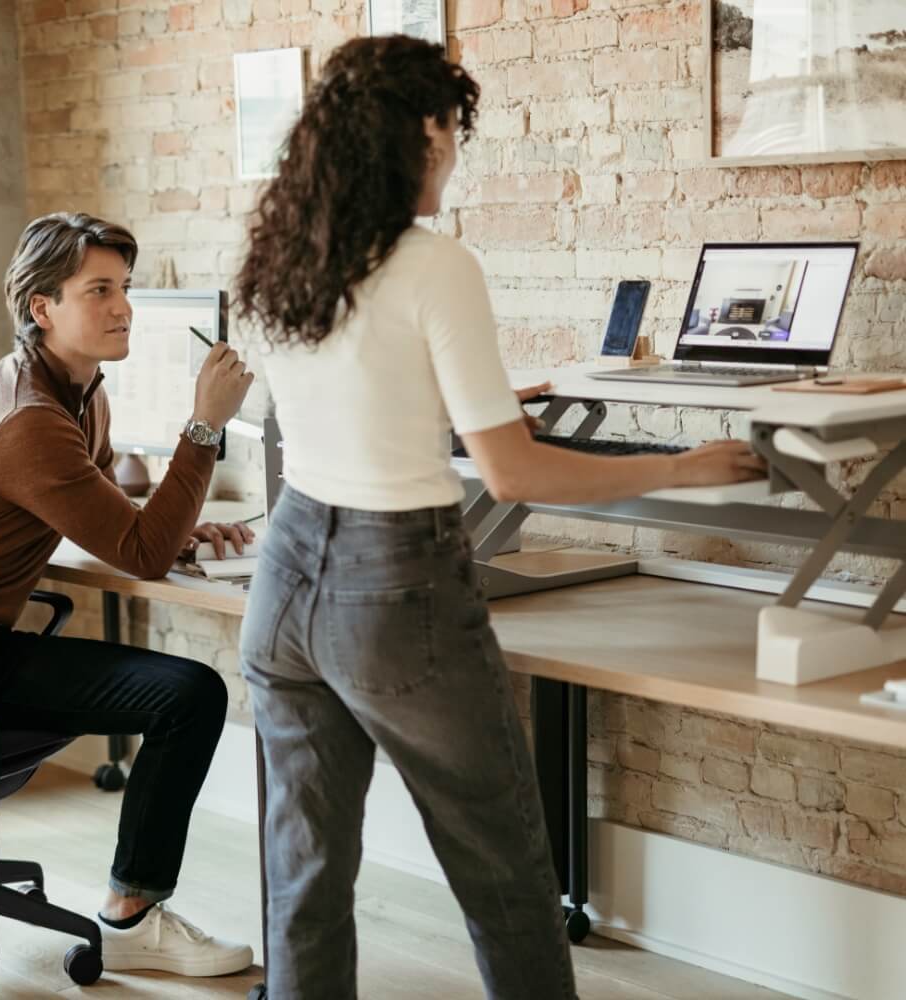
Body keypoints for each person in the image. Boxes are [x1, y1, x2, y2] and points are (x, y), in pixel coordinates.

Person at [235, 35, 765, 1000]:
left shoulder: (279, 258)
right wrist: (685, 466)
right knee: (503, 863)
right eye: (448, 131)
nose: (454, 154)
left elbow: (348, 395)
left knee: (304, 873)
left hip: (286, 575)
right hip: (393, 592)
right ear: (417, 134)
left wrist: (458, 396)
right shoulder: (435, 266)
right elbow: (512, 473)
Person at [0, 212, 258, 1000]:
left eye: (125, 289)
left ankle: (131, 915)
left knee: (188, 694)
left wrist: (186, 532)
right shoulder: (28, 415)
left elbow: (121, 529)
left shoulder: (82, 391)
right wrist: (205, 426)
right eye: (99, 290)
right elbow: (138, 554)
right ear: (42, 308)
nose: (123, 308)